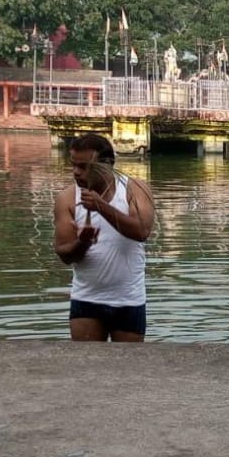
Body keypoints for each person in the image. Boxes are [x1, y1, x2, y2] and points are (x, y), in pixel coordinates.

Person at [52, 134, 155, 341]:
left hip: (128, 299)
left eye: (84, 166)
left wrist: (101, 206)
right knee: (86, 368)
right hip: (87, 298)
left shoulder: (134, 189)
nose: (76, 172)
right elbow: (64, 254)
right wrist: (82, 242)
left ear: (107, 164)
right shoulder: (67, 198)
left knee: (129, 369)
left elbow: (142, 231)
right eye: (73, 165)